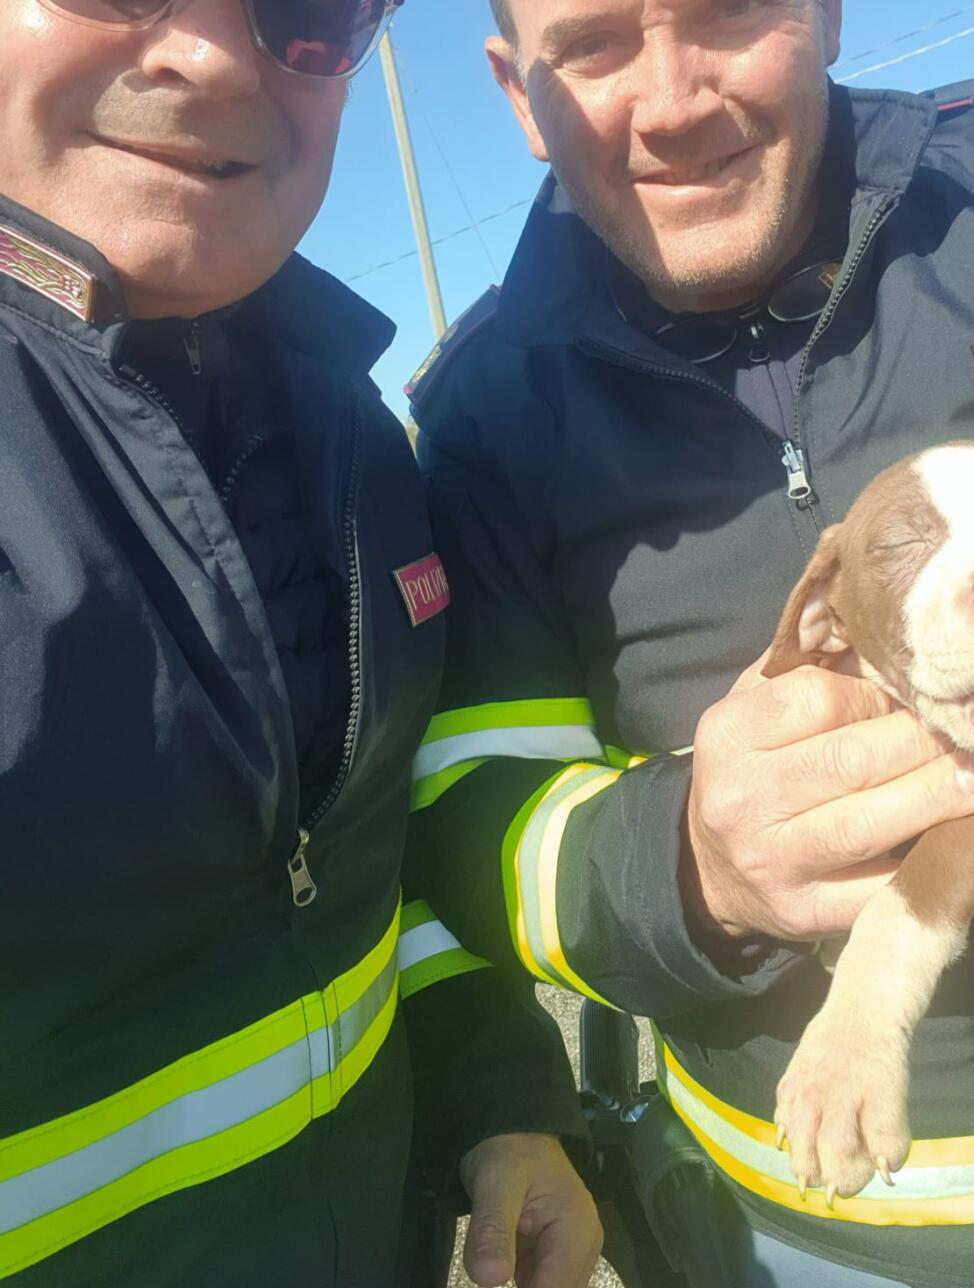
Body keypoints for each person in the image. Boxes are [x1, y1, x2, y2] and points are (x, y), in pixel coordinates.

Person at [406, 0, 974, 1284]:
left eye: (723, 14)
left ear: (824, 15)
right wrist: (691, 869)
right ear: (515, 89)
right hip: (791, 1236)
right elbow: (468, 817)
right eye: (596, 45)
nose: (672, 100)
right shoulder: (490, 411)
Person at [0, 1, 606, 1285]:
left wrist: (497, 1106)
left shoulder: (358, 432)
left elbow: (360, 875)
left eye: (310, 13)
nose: (218, 55)